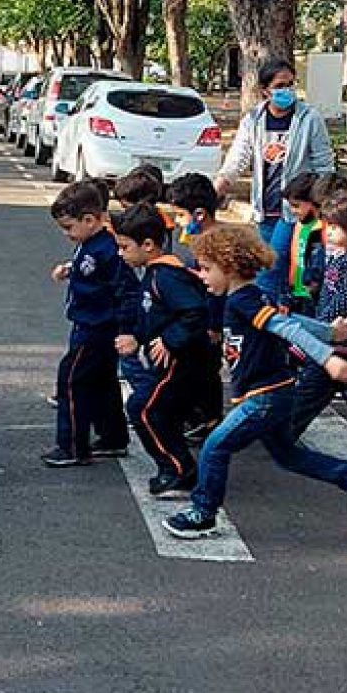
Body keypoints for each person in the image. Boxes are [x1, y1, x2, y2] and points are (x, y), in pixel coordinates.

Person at [164, 225, 347, 539]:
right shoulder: (249, 296)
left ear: (230, 266)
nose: (202, 275)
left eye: (207, 269)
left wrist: (327, 357)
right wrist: (327, 332)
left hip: (265, 396)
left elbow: (285, 328)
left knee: (215, 446)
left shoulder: (244, 300)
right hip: (270, 393)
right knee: (289, 456)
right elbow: (290, 320)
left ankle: (203, 512)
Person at [214, 57, 335, 302]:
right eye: (280, 86)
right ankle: (280, 325)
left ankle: (256, 320)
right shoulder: (253, 120)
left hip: (294, 210)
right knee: (275, 271)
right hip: (264, 208)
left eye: (291, 84)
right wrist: (219, 185)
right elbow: (238, 158)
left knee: (269, 270)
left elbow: (324, 165)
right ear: (264, 91)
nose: (287, 91)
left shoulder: (309, 119)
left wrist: (322, 203)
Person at [114, 204, 206, 496]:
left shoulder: (167, 276)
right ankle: (176, 468)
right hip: (168, 363)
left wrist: (170, 340)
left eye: (125, 247)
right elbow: (155, 314)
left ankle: (179, 471)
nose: (120, 253)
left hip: (182, 362)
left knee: (143, 409)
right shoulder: (154, 273)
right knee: (156, 411)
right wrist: (137, 338)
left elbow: (194, 312)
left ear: (148, 245)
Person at [42, 181, 130, 467]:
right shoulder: (91, 244)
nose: (67, 234)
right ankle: (112, 436)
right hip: (97, 324)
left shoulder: (105, 249)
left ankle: (71, 445)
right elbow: (92, 273)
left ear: (90, 220)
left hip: (95, 327)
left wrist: (126, 326)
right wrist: (70, 270)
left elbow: (120, 287)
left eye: (69, 227)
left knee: (71, 381)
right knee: (103, 382)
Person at [290, 193, 347, 452]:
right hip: (342, 344)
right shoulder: (344, 254)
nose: (328, 232)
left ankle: (281, 437)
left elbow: (344, 303)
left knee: (308, 396)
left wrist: (317, 333)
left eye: (335, 227)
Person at [168, 173, 225, 442]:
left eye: (181, 215)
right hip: (194, 316)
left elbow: (217, 290)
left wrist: (215, 325)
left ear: (199, 214)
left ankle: (209, 420)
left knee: (205, 372)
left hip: (207, 319)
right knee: (195, 369)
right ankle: (196, 416)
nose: (179, 222)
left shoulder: (213, 243)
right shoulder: (195, 238)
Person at [282, 173, 326, 316]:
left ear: (313, 202)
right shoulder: (300, 225)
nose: (293, 211)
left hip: (313, 300)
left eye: (296, 206)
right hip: (296, 294)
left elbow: (318, 272)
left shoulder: (323, 230)